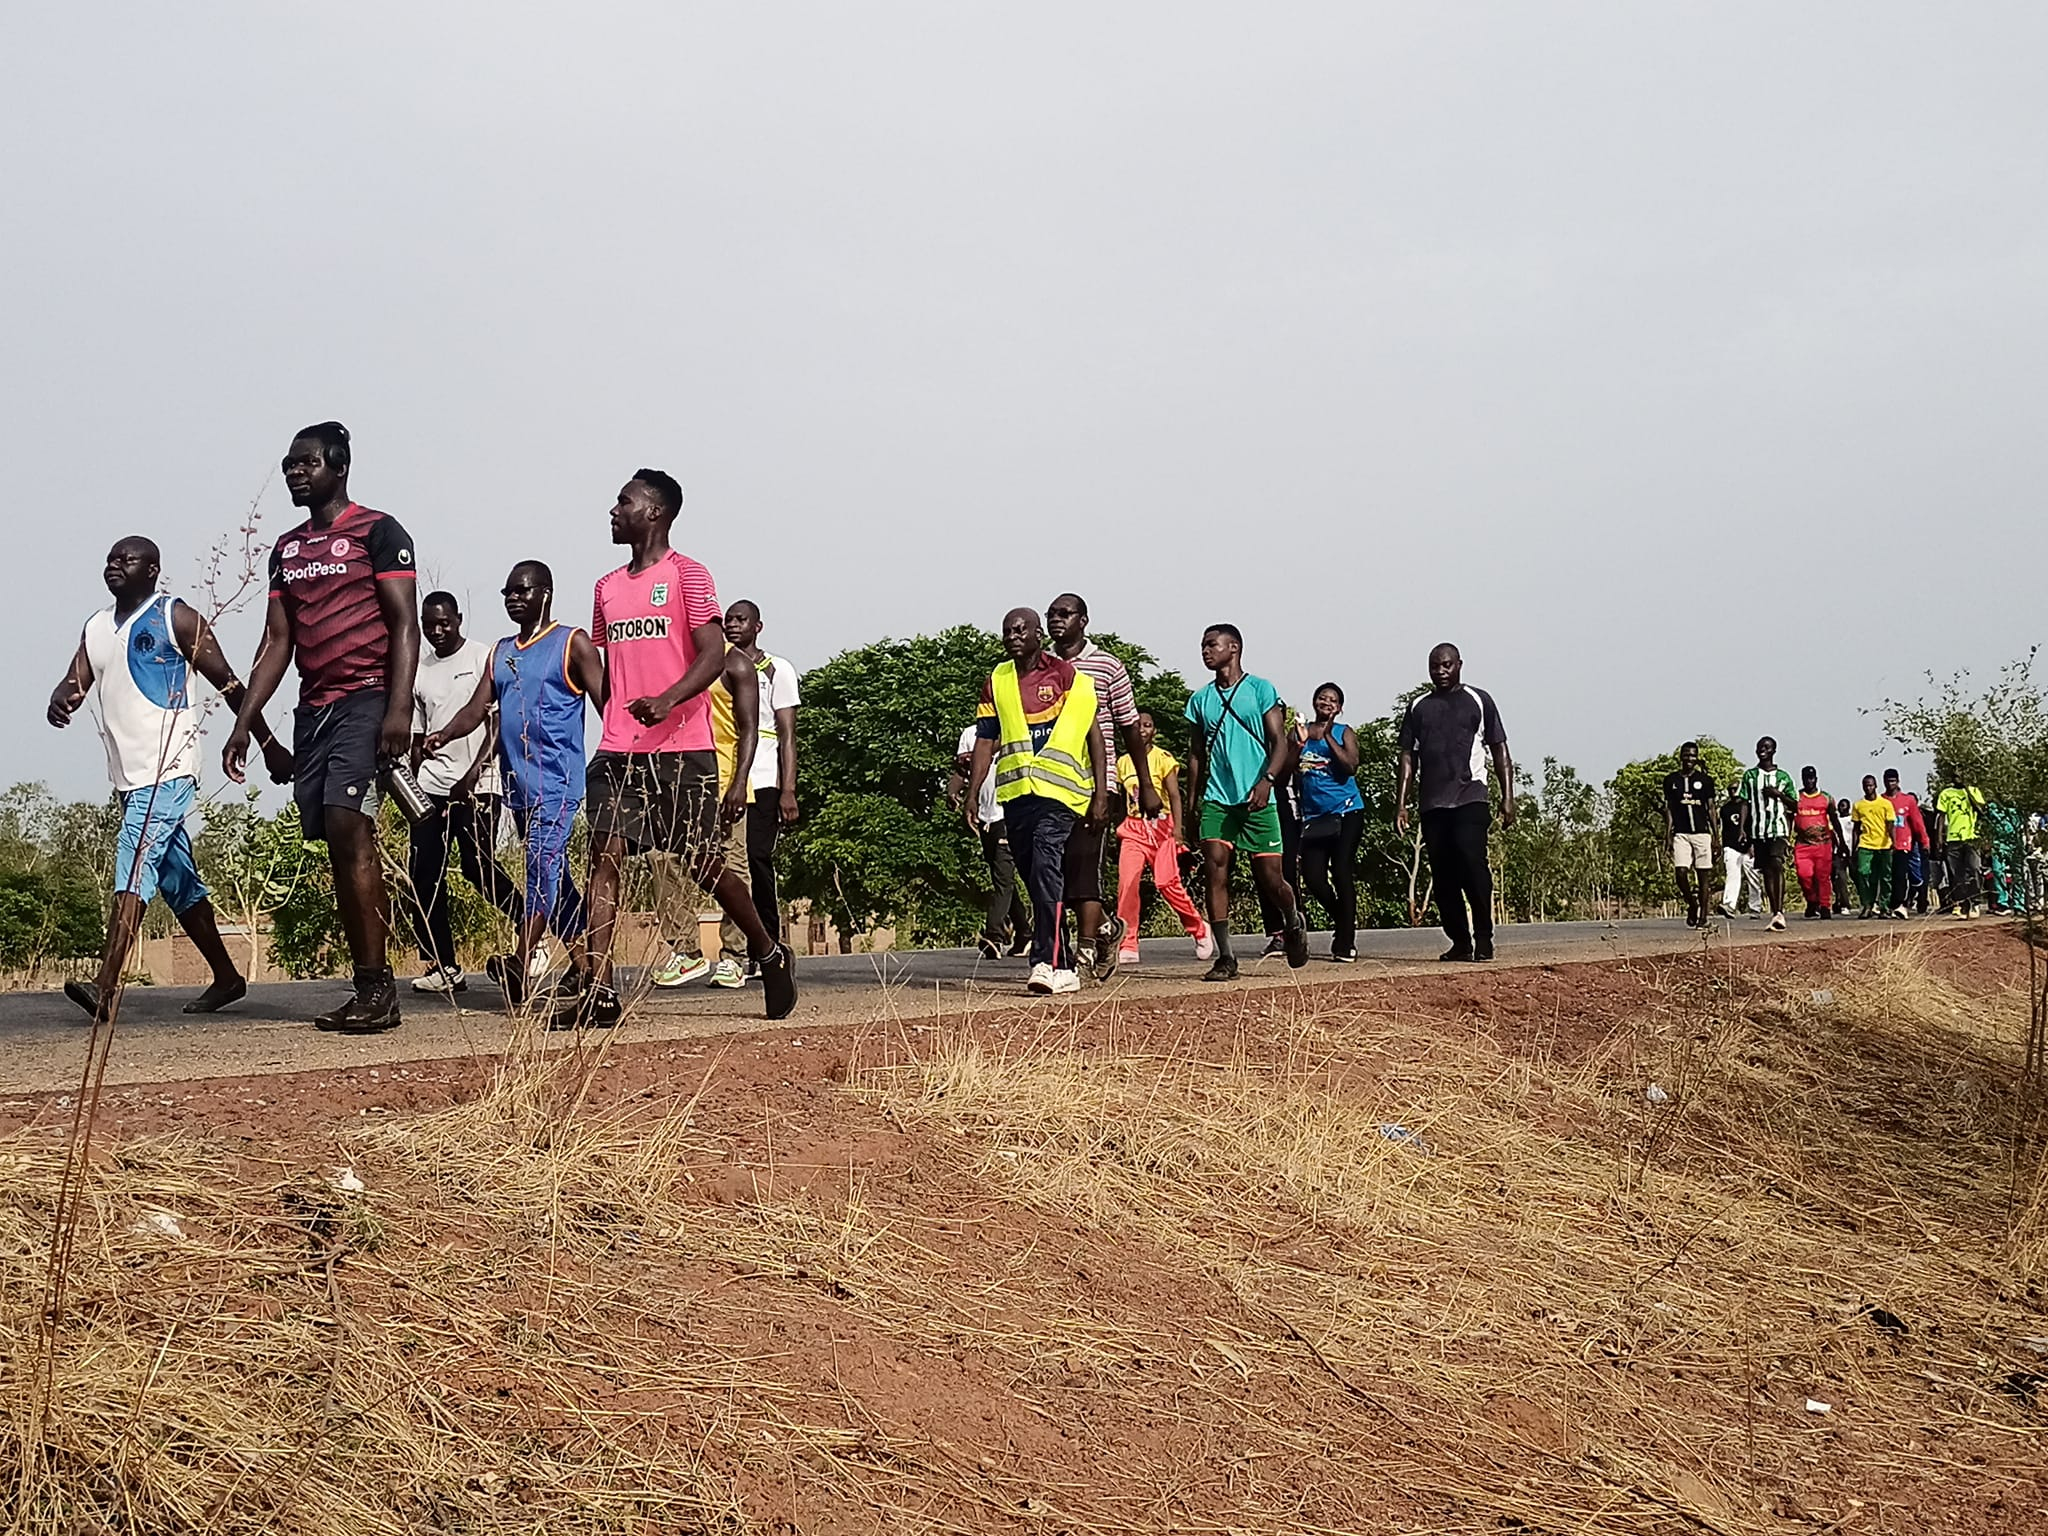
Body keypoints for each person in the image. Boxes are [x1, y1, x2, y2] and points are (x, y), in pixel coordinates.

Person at [579, 471, 796, 1023]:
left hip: (683, 747)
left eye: (623, 501)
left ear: (654, 512)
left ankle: (768, 953)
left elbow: (713, 656)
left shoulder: (689, 577)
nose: (612, 509)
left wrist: (668, 698)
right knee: (604, 859)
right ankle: (601, 991)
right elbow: (606, 668)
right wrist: (614, 715)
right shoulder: (605, 587)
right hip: (618, 751)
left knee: (701, 863)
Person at [225, 422, 420, 1033]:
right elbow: (276, 642)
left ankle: (377, 991)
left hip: (368, 700)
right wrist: (245, 722)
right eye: (288, 465)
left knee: (349, 824)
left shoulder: (379, 531)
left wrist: (398, 708)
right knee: (335, 843)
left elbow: (404, 626)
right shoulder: (285, 549)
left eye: (305, 463)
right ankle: (368, 985)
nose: (294, 473)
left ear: (338, 466)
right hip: (315, 710)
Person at [48, 538, 292, 1022]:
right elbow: (77, 679)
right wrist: (62, 699)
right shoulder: (97, 627)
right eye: (110, 558)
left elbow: (230, 684)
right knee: (179, 882)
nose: (114, 565)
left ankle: (107, 985)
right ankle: (226, 977)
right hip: (129, 777)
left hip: (170, 769)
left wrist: (265, 744)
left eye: (127, 559)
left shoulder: (175, 617)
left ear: (153, 570)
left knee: (134, 858)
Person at [422, 561, 601, 1006]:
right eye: (508, 592)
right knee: (555, 879)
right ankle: (587, 969)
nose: (513, 599)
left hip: (558, 782)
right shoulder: (501, 652)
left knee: (541, 868)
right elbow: (478, 708)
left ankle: (521, 961)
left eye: (522, 591)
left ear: (546, 592)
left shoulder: (572, 643)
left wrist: (615, 756)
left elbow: (607, 701)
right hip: (517, 787)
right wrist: (444, 734)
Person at [967, 607, 1104, 995]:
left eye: (1020, 629)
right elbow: (986, 738)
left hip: (1060, 795)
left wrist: (1099, 791)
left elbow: (1093, 733)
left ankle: (1049, 961)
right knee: (1035, 878)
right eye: (1006, 630)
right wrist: (974, 792)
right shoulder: (998, 679)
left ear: (1037, 634)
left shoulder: (1066, 676)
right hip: (1016, 795)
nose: (1012, 635)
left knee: (1046, 865)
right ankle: (1063, 961)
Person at [406, 591, 525, 995]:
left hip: (479, 784)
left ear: (458, 619)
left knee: (477, 865)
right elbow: (418, 736)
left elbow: (496, 722)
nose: (438, 631)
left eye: (445, 622)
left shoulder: (482, 658)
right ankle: (444, 965)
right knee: (424, 875)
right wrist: (414, 777)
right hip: (432, 786)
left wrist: (473, 775)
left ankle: (530, 924)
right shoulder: (419, 671)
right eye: (430, 624)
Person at [1045, 594, 1157, 982]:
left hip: (1098, 785)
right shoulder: (1042, 667)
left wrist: (1144, 785)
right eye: (1051, 615)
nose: (1057, 621)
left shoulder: (1107, 665)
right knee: (1054, 870)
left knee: (1084, 866)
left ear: (1084, 620)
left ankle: (1087, 949)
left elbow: (1129, 727)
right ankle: (1105, 928)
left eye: (1065, 614)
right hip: (1053, 784)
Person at [1187, 624, 1308, 981]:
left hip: (1257, 797)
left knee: (1272, 879)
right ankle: (1225, 956)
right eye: (1203, 645)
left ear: (1234, 647)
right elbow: (1195, 754)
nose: (1205, 651)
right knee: (1215, 871)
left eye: (1212, 644)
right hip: (1218, 800)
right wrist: (1193, 805)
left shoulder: (1260, 690)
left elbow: (1279, 742)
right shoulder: (1200, 700)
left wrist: (1267, 781)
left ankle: (1292, 921)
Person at [1394, 643, 1515, 963]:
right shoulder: (1418, 706)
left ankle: (1484, 936)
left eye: (1446, 665)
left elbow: (1500, 749)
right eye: (1434, 666)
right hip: (1433, 803)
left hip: (1470, 797)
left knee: (1472, 863)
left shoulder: (1479, 700)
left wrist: (1508, 798)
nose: (1440, 672)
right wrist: (1401, 803)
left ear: (1459, 664)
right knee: (1444, 875)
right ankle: (1460, 940)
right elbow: (1408, 756)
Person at [722, 600, 800, 953]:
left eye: (741, 620)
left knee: (756, 857)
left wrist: (789, 789)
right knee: (729, 862)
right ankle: (743, 945)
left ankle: (767, 940)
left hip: (765, 776)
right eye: (729, 620)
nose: (734, 625)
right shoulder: (717, 665)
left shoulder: (777, 669)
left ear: (758, 626)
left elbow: (787, 734)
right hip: (727, 772)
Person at [1112, 711, 1210, 966]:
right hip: (1133, 828)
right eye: (1138, 726)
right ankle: (1129, 941)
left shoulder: (1163, 759)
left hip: (1161, 827)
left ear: (1154, 731)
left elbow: (1174, 795)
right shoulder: (1122, 762)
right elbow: (1121, 799)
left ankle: (1199, 928)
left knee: (1167, 882)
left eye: (1148, 725)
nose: (1143, 729)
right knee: (1127, 884)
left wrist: (1178, 831)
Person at [1292, 683, 1365, 960]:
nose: (1327, 702)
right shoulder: (1300, 733)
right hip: (1315, 817)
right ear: (1314, 702)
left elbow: (1350, 767)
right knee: (1313, 877)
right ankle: (1343, 919)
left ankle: (1345, 942)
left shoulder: (1343, 732)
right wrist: (1299, 741)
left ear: (1340, 707)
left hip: (1347, 811)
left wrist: (1328, 737)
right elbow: (1289, 768)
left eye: (1333, 700)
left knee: (1342, 870)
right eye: (1322, 698)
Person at [951, 723, 1031, 958]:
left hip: (1010, 814)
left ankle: (994, 935)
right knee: (1001, 876)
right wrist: (953, 792)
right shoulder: (970, 733)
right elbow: (963, 771)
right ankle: (1025, 933)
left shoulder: (1016, 727)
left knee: (1003, 879)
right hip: (986, 817)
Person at [1738, 737, 1797, 932]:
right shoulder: (1750, 776)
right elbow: (1744, 802)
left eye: (1766, 748)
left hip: (1778, 828)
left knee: (1777, 864)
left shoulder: (1783, 777)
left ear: (1773, 751)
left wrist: (1778, 795)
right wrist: (1742, 829)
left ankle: (1779, 911)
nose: (1762, 750)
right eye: (1759, 747)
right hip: (1758, 830)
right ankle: (1775, 912)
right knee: (1767, 871)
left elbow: (1795, 804)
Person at [1661, 742, 1716, 927]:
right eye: (1686, 755)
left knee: (1703, 876)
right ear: (1680, 756)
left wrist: (1716, 837)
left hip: (1702, 833)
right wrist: (1667, 835)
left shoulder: (1705, 780)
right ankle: (1692, 904)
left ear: (1697, 757)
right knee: (1681, 873)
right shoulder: (1671, 780)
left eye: (1693, 755)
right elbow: (1669, 809)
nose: (1689, 759)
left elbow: (1711, 809)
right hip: (1681, 833)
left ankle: (1703, 917)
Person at [1791, 766, 1845, 918]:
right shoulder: (1796, 797)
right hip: (1803, 845)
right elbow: (1789, 817)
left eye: (1811, 778)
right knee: (1804, 875)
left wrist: (1841, 842)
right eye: (1806, 778)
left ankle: (1825, 906)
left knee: (1823, 876)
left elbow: (1834, 820)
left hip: (1823, 844)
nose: (1809, 781)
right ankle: (1812, 901)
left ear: (1816, 778)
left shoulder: (1826, 798)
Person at [1881, 769, 1929, 919]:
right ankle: (1884, 905)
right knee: (1886, 877)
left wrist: (1924, 841)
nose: (1890, 784)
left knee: (1901, 875)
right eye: (1888, 781)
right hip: (1883, 844)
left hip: (1903, 844)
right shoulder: (1880, 800)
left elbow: (1917, 823)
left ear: (1898, 781)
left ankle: (1899, 905)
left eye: (1893, 780)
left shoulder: (1908, 800)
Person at [1937, 781, 1987, 917]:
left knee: (1974, 868)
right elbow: (1941, 816)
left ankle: (1975, 901)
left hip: (1972, 837)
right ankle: (1963, 903)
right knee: (1957, 874)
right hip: (1953, 838)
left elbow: (1982, 809)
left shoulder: (1974, 790)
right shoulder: (1946, 793)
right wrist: (1940, 838)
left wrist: (1969, 791)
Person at [1850, 776, 1896, 918]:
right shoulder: (1858, 805)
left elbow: (1890, 825)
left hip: (1883, 844)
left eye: (1870, 785)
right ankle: (1867, 905)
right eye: (1865, 786)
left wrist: (1894, 842)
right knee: (1863, 873)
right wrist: (1854, 848)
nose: (1868, 788)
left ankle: (1884, 906)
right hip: (1866, 843)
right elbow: (1856, 828)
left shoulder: (1885, 804)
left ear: (1875, 786)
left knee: (1885, 877)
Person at [1716, 785, 1762, 918]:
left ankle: (1755, 907)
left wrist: (1753, 844)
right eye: (1730, 789)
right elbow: (1724, 829)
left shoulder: (1751, 806)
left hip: (1749, 847)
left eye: (1736, 788)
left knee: (1753, 877)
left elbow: (1755, 826)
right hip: (1731, 845)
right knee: (1732, 875)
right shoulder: (1725, 809)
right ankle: (1729, 905)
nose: (1733, 791)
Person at [1831, 797, 1856, 917]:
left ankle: (1869, 902)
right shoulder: (1834, 820)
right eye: (1840, 806)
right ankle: (1843, 903)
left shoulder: (1853, 819)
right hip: (1838, 852)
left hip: (1852, 851)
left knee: (1857, 876)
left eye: (1844, 805)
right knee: (1840, 879)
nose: (1842, 808)